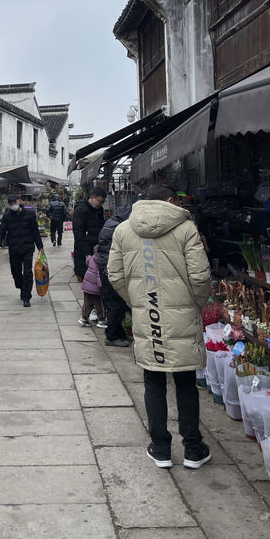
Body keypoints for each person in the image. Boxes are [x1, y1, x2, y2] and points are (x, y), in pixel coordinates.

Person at [106, 182, 212, 469]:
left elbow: (114, 274)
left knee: (153, 380)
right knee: (185, 381)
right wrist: (196, 304)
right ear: (168, 200)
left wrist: (138, 300)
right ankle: (193, 448)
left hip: (147, 314)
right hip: (182, 314)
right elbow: (201, 277)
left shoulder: (123, 230)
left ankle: (161, 448)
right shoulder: (186, 228)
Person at [0, 193, 43, 307]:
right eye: (10, 204)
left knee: (27, 273)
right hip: (14, 248)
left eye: (14, 203)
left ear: (19, 201)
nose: (13, 205)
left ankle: (27, 296)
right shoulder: (7, 216)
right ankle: (21, 286)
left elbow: (35, 232)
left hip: (27, 248)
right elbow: (1, 231)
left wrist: (40, 247)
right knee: (16, 273)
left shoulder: (30, 215)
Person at [95, 202, 133, 347]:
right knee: (114, 305)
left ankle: (119, 333)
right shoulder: (116, 227)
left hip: (109, 268)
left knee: (119, 304)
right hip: (109, 269)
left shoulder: (114, 222)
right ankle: (111, 336)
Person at [72, 187, 106, 281]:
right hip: (84, 252)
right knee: (86, 280)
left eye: (102, 202)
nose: (100, 204)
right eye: (99, 201)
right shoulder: (80, 210)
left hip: (96, 248)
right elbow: (78, 234)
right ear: (92, 198)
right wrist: (86, 253)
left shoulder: (99, 210)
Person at [78, 246, 107, 328]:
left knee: (87, 303)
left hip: (87, 286)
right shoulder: (100, 261)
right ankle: (101, 320)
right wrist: (101, 286)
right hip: (95, 288)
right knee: (99, 304)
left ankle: (84, 318)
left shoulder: (91, 259)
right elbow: (99, 276)